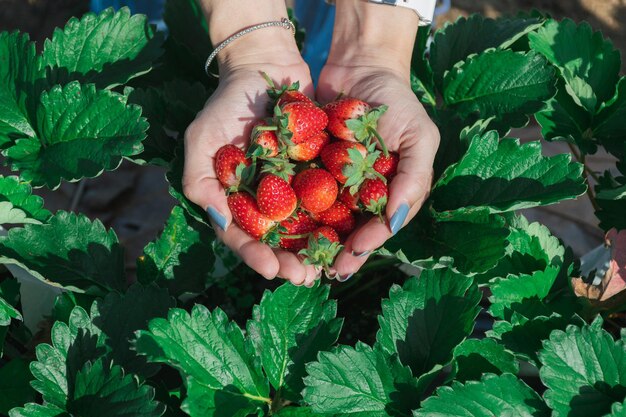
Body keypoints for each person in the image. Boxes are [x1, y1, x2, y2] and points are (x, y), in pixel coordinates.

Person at [183, 0, 440, 287]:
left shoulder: (299, 150)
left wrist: (377, 53)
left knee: (316, 27)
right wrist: (251, 48)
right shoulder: (320, 152)